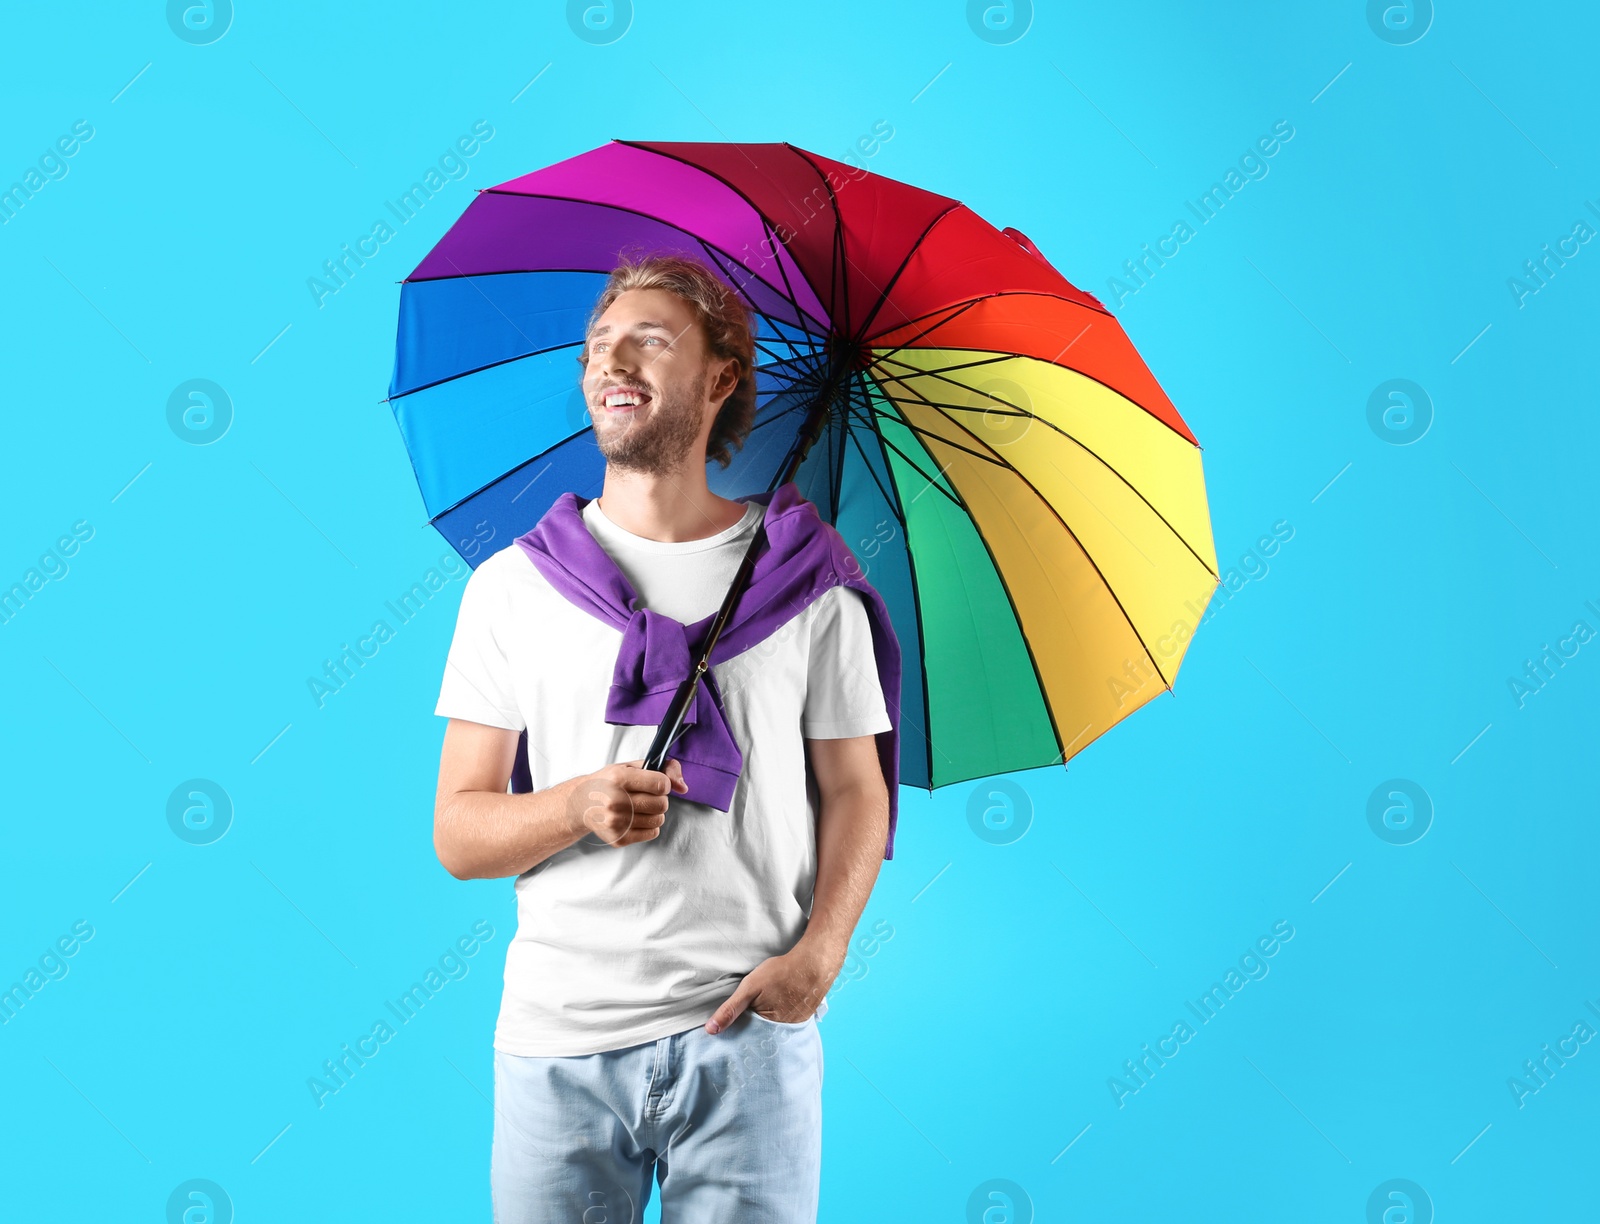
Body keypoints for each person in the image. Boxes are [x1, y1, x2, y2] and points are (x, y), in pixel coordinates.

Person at [431, 251, 900, 1222]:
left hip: (747, 1041)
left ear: (721, 378)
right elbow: (458, 834)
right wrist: (574, 804)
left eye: (650, 341)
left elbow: (858, 790)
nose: (614, 364)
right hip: (556, 1042)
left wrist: (820, 956)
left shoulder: (809, 582)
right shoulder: (509, 590)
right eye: (600, 346)